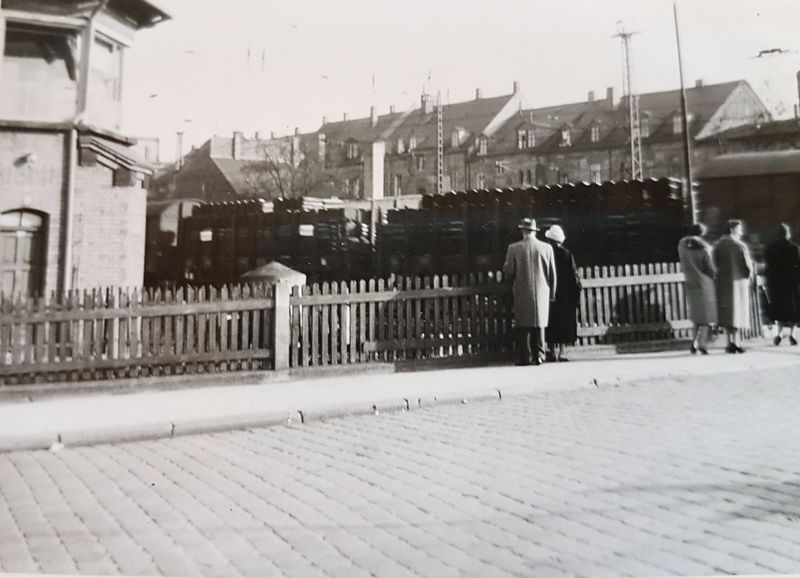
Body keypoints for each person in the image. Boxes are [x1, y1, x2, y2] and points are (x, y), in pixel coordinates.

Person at [503, 218, 557, 366]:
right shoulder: (547, 248)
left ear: (523, 231)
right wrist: (552, 293)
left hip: (522, 290)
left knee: (524, 325)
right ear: (535, 231)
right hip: (542, 291)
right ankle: (540, 355)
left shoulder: (514, 248)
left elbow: (509, 271)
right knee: (540, 323)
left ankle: (525, 357)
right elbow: (552, 274)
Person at [712, 219, 754, 353]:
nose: (741, 232)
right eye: (739, 229)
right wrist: (749, 277)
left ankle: (729, 342)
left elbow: (714, 264)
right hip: (739, 282)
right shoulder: (740, 246)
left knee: (728, 314)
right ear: (732, 229)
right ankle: (736, 342)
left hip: (723, 284)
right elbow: (748, 267)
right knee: (738, 313)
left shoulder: (717, 245)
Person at [543, 225, 582, 362]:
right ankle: (562, 352)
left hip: (550, 292)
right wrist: (576, 293)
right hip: (565, 294)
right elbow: (574, 276)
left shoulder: (547, 253)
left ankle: (552, 351)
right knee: (564, 322)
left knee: (551, 321)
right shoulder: (567, 254)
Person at [677, 223, 717, 354]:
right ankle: (702, 344)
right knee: (706, 317)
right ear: (702, 234)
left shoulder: (682, 246)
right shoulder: (705, 249)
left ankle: (693, 342)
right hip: (705, 283)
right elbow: (710, 268)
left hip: (690, 281)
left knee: (696, 316)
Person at [764, 223, 800, 345]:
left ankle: (778, 334)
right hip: (791, 283)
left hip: (776, 283)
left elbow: (768, 266)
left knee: (779, 308)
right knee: (793, 309)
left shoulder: (770, 248)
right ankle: (792, 334)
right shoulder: (794, 248)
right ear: (788, 234)